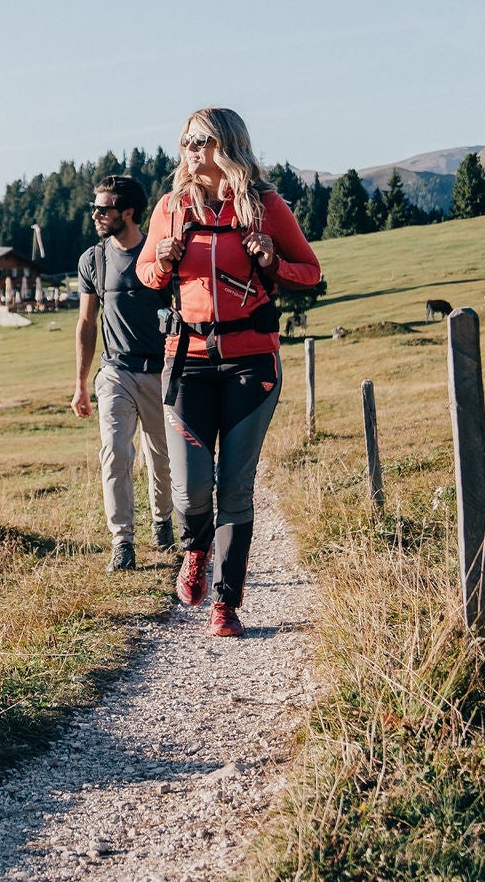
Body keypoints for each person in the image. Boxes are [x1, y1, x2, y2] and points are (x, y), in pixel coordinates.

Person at [137, 108, 321, 638]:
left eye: (201, 141)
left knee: (235, 487)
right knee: (193, 489)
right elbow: (148, 275)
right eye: (185, 142)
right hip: (188, 362)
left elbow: (310, 271)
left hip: (251, 362)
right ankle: (195, 550)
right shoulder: (170, 209)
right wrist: (164, 262)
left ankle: (226, 604)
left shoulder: (265, 206)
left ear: (229, 146)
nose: (190, 151)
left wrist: (272, 262)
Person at [72, 174, 175, 572]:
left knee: (162, 458)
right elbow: (85, 322)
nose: (96, 215)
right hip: (114, 371)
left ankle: (162, 520)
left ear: (128, 212)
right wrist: (80, 383)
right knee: (114, 452)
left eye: (104, 208)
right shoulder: (92, 261)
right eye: (94, 207)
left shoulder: (160, 252)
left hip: (161, 371)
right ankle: (123, 541)